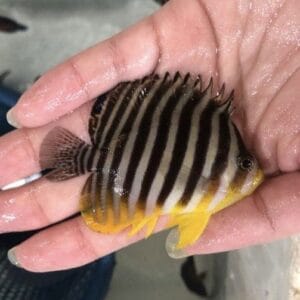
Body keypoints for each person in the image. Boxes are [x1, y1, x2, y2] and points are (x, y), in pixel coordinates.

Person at [0, 0, 299, 272]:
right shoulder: (223, 141)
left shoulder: (221, 140)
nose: (253, 171)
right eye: (245, 164)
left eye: (247, 164)